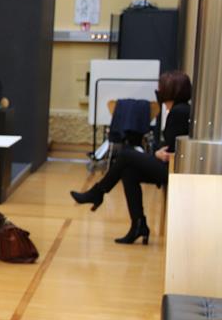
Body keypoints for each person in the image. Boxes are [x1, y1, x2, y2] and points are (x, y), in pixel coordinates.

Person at [70, 70, 192, 244]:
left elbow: (174, 149)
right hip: (169, 165)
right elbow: (170, 144)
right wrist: (158, 152)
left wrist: (158, 153)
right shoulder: (178, 110)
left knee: (126, 155)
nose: (158, 90)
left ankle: (97, 193)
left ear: (172, 89)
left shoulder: (179, 111)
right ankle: (138, 225)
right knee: (128, 171)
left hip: (172, 169)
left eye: (161, 87)